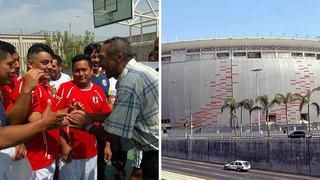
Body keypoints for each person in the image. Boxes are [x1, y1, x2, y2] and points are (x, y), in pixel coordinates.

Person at [67, 37, 159, 180]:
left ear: (118, 57)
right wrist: (90, 116)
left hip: (154, 154)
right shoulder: (139, 72)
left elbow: (113, 133)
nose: (99, 62)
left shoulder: (130, 82)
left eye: (102, 58)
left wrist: (85, 125)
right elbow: (117, 115)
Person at [11, 43, 68, 180]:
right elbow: (36, 120)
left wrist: (68, 110)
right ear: (30, 64)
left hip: (47, 158)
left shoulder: (44, 86)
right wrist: (69, 118)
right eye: (44, 63)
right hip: (34, 163)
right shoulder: (27, 87)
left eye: (50, 62)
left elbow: (48, 115)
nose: (49, 66)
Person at [56, 54, 112, 180]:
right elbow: (53, 120)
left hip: (91, 153)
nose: (81, 74)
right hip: (69, 155)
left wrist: (107, 146)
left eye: (84, 70)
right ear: (72, 71)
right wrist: (63, 145)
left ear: (91, 70)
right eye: (77, 70)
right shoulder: (65, 89)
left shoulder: (98, 91)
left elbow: (107, 120)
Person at [0, 40, 61, 150]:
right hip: (35, 159)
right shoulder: (25, 85)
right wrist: (69, 117)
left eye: (17, 61)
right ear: (30, 64)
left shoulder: (41, 85)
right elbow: (10, 125)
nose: (16, 66)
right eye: (10, 63)